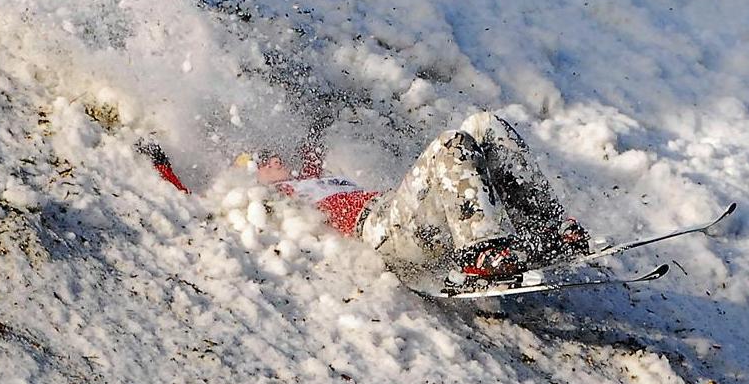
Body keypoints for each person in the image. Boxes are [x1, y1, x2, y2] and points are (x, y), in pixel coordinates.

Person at [230, 111, 590, 287]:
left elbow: (314, 135)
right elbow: (193, 200)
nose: (274, 159)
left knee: (485, 123)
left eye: (275, 153)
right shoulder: (268, 199)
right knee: (452, 143)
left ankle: (546, 228)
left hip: (403, 216)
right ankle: (481, 255)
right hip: (378, 232)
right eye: (263, 160)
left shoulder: (314, 178)